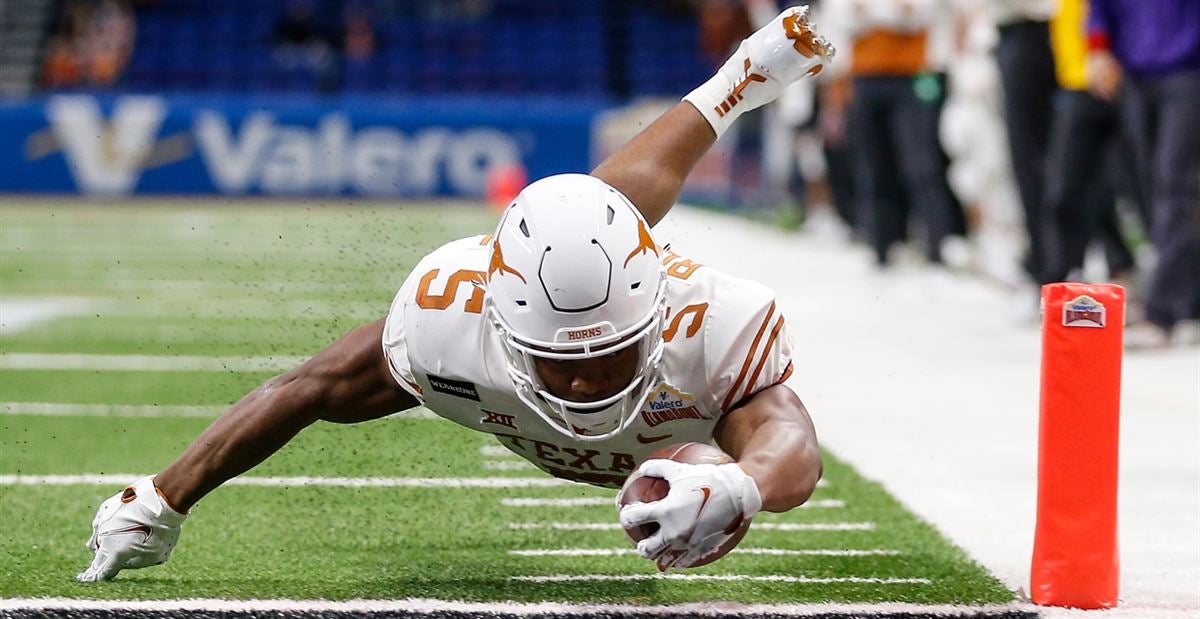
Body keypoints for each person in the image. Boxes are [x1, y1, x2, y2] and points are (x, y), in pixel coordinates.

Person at [76, 6, 834, 581]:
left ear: (658, 314)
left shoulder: (711, 322)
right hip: (546, 280)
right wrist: (160, 497)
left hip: (626, 294)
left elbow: (792, 443)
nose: (580, 380)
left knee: (592, 209)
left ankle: (739, 80)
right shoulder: (451, 316)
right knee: (584, 209)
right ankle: (738, 80)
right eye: (556, 362)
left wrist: (740, 487)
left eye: (609, 354)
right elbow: (309, 385)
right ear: (500, 325)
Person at [1087, 0, 1200, 347]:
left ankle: (1162, 310)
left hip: (1188, 72)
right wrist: (1097, 50)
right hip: (1134, 74)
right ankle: (1187, 300)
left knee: (1175, 185)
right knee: (1147, 187)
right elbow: (1099, 9)